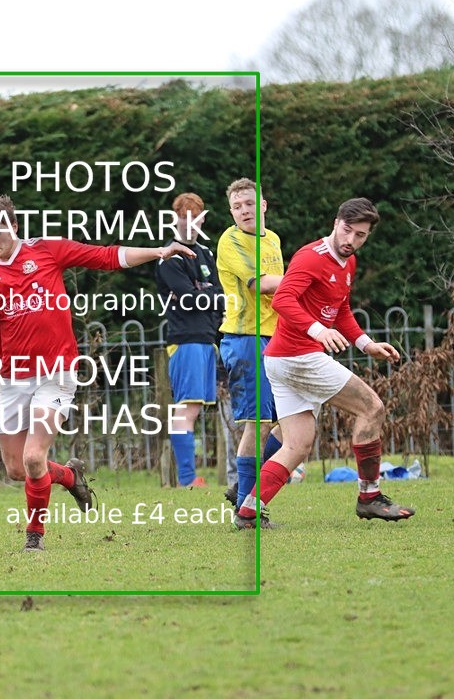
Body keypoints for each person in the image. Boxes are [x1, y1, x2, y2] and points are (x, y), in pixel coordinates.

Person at [0, 194, 195, 552]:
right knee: (16, 469)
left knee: (33, 457)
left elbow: (106, 256)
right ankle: (69, 476)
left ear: (15, 226)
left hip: (56, 373)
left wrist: (159, 251)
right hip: (14, 378)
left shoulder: (47, 250)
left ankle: (34, 537)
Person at [237, 197, 414, 525]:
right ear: (336, 223)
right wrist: (318, 330)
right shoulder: (311, 257)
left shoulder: (348, 262)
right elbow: (282, 299)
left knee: (297, 445)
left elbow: (341, 308)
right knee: (372, 408)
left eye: (360, 235)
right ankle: (370, 497)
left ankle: (247, 511)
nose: (351, 240)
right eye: (347, 230)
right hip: (299, 356)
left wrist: (366, 344)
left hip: (282, 359)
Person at [215, 178, 284, 528]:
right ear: (231, 212)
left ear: (263, 205)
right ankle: (246, 508)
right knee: (258, 424)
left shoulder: (273, 240)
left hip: (277, 338)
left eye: (250, 204)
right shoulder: (230, 241)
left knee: (292, 424)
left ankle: (243, 487)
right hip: (246, 339)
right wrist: (306, 280)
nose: (244, 211)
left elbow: (281, 295)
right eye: (237, 206)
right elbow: (262, 284)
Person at [155, 192, 224, 487]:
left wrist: (205, 296)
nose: (190, 224)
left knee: (197, 408)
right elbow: (190, 299)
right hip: (186, 339)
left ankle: (189, 476)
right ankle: (186, 478)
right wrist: (207, 295)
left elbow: (220, 294)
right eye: (184, 218)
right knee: (187, 408)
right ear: (175, 220)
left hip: (207, 338)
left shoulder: (206, 253)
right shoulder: (169, 258)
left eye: (195, 219)